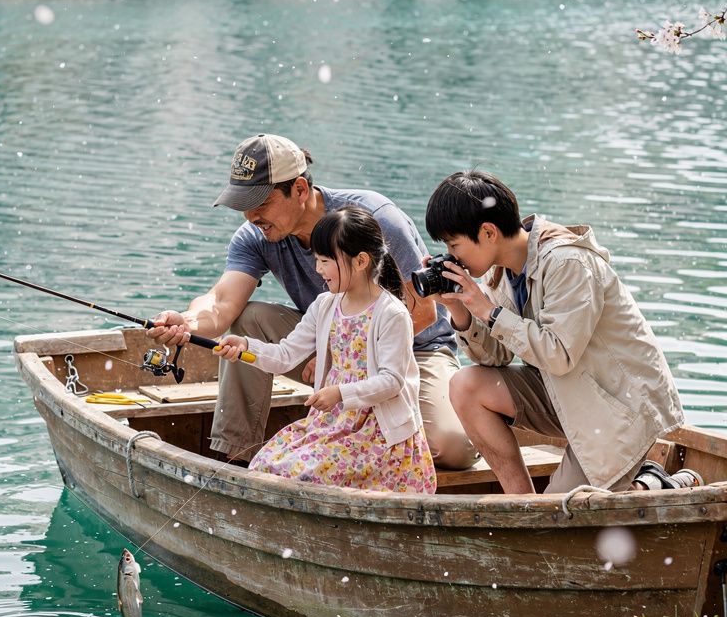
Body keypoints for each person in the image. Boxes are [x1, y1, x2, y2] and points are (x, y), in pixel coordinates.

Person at [151, 133, 476, 469]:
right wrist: (187, 323)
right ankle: (236, 459)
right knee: (248, 319)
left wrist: (343, 358)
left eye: (261, 203)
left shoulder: (374, 217)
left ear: (300, 190)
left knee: (454, 450)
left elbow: (423, 311)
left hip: (413, 349)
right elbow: (221, 302)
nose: (251, 217)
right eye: (243, 205)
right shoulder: (257, 235)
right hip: (327, 341)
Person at [424, 169, 689, 495]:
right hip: (567, 393)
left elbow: (558, 355)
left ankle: (654, 483)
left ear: (488, 232)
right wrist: (459, 308)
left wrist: (486, 310)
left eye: (454, 245)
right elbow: (495, 357)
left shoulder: (568, 263)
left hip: (614, 405)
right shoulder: (502, 271)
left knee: (562, 511)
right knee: (466, 385)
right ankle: (521, 504)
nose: (452, 257)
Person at [217, 206, 436, 494]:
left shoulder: (392, 313)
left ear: (360, 261)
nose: (318, 270)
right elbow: (285, 355)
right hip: (332, 423)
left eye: (325, 261)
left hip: (378, 434)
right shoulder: (325, 305)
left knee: (302, 475)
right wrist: (247, 348)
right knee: (265, 463)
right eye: (317, 260)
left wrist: (340, 394)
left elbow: (392, 381)